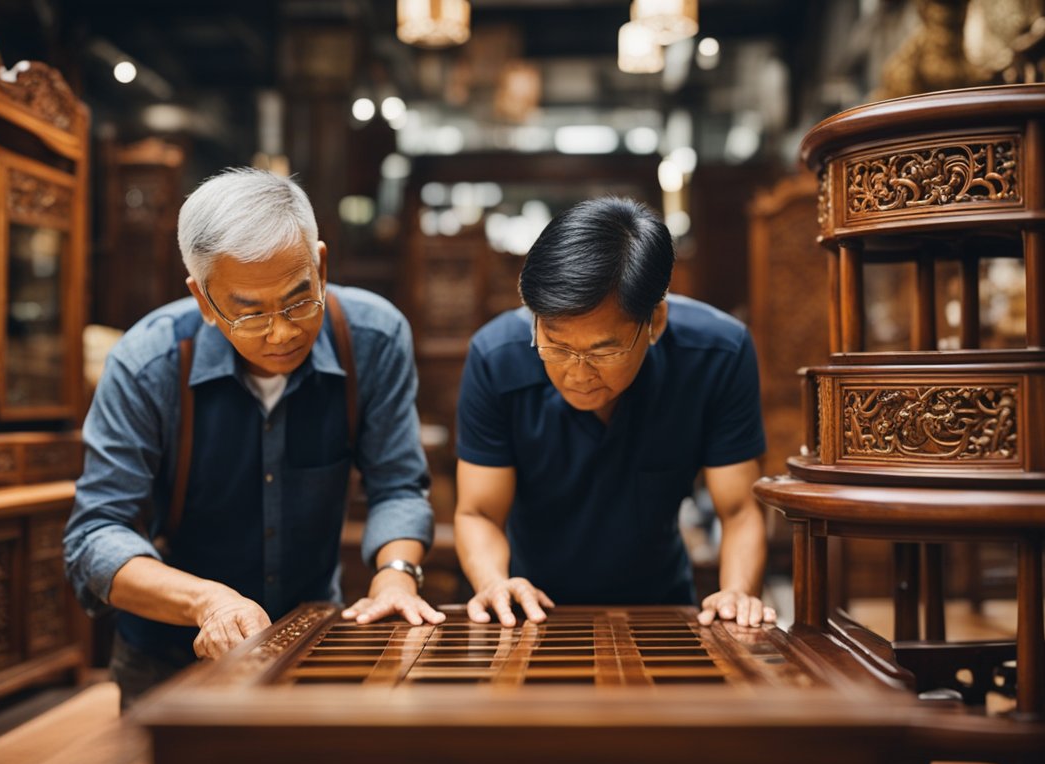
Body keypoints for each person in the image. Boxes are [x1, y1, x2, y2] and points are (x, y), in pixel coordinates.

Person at [64, 168, 443, 708]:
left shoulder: (373, 338)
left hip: (315, 640)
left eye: (297, 300)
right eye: (250, 313)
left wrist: (396, 574)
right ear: (202, 299)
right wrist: (206, 603)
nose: (283, 332)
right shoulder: (147, 364)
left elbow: (399, 485)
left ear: (321, 264)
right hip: (170, 658)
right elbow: (96, 534)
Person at [454, 196, 775, 629]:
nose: (577, 373)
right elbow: (478, 512)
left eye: (604, 351)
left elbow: (738, 509)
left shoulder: (718, 353)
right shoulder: (496, 358)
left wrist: (737, 593)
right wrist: (494, 582)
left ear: (655, 322)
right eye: (557, 345)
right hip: (530, 613)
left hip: (663, 612)